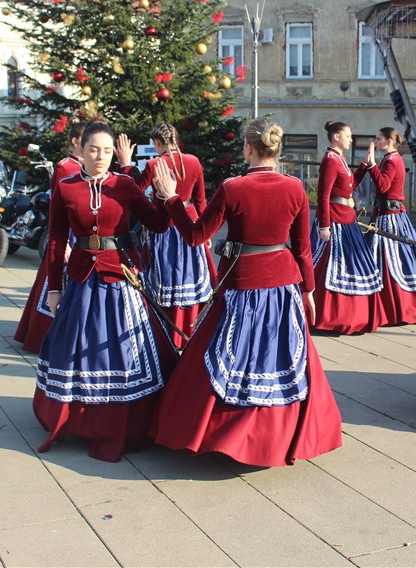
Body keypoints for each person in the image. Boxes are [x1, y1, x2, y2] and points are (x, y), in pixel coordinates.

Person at [149, 118, 342, 467]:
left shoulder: (233, 187)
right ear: (276, 148)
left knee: (226, 357)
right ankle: (282, 436)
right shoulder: (295, 187)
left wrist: (171, 198)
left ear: (249, 148)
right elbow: (302, 249)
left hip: (241, 283)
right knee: (284, 357)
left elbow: (195, 236)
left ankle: (216, 432)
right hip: (283, 284)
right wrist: (308, 290)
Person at [33, 122, 176, 462]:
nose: (101, 157)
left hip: (122, 274)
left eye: (108, 150)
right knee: (76, 350)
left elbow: (157, 223)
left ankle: (129, 423)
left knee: (128, 349)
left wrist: (165, 196)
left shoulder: (125, 185)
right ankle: (79, 421)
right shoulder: (66, 188)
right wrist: (54, 288)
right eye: (94, 149)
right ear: (80, 149)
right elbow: (56, 241)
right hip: (83, 278)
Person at [116, 123, 217, 347]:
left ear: (157, 143)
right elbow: (201, 200)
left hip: (165, 225)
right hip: (190, 224)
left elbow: (133, 190)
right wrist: (205, 230)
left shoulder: (155, 164)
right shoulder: (194, 161)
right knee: (195, 278)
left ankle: (166, 331)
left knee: (163, 280)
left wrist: (125, 165)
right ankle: (193, 329)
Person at [354, 127, 416, 328]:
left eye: (378, 139)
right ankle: (387, 305)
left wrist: (371, 166)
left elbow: (384, 187)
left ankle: (394, 307)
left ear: (388, 141)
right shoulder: (393, 159)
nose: (376, 142)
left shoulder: (391, 160)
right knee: (392, 260)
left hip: (389, 218)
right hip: (388, 215)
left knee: (389, 261)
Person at [14, 120, 85, 354]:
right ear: (75, 142)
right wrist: (63, 242)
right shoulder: (66, 167)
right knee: (55, 284)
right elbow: (58, 206)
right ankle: (44, 336)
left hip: (82, 232)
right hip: (69, 233)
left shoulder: (84, 165)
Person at [310, 121, 382, 334]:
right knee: (329, 268)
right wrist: (324, 225)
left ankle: (349, 316)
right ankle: (329, 316)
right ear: (336, 137)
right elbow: (323, 195)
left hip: (346, 219)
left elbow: (350, 186)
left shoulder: (339, 158)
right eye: (348, 135)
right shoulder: (330, 160)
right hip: (334, 221)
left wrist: (366, 165)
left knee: (349, 266)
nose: (351, 139)